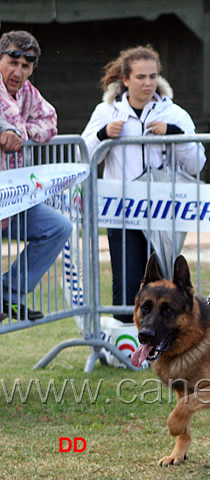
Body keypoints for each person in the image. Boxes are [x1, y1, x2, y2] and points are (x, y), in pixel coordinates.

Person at [82, 45, 206, 323]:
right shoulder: (106, 112)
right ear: (125, 80)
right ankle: (124, 345)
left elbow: (197, 163)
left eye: (152, 76)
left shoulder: (174, 113)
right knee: (126, 282)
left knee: (162, 284)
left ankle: (162, 343)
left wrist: (175, 135)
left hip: (163, 211)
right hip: (121, 211)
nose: (148, 83)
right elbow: (83, 155)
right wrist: (102, 135)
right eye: (140, 77)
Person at [0, 30, 72, 322]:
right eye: (12, 61)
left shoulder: (28, 93)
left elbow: (49, 122)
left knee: (58, 227)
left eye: (26, 66)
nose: (18, 71)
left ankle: (9, 295)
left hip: (14, 197)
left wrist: (23, 132)